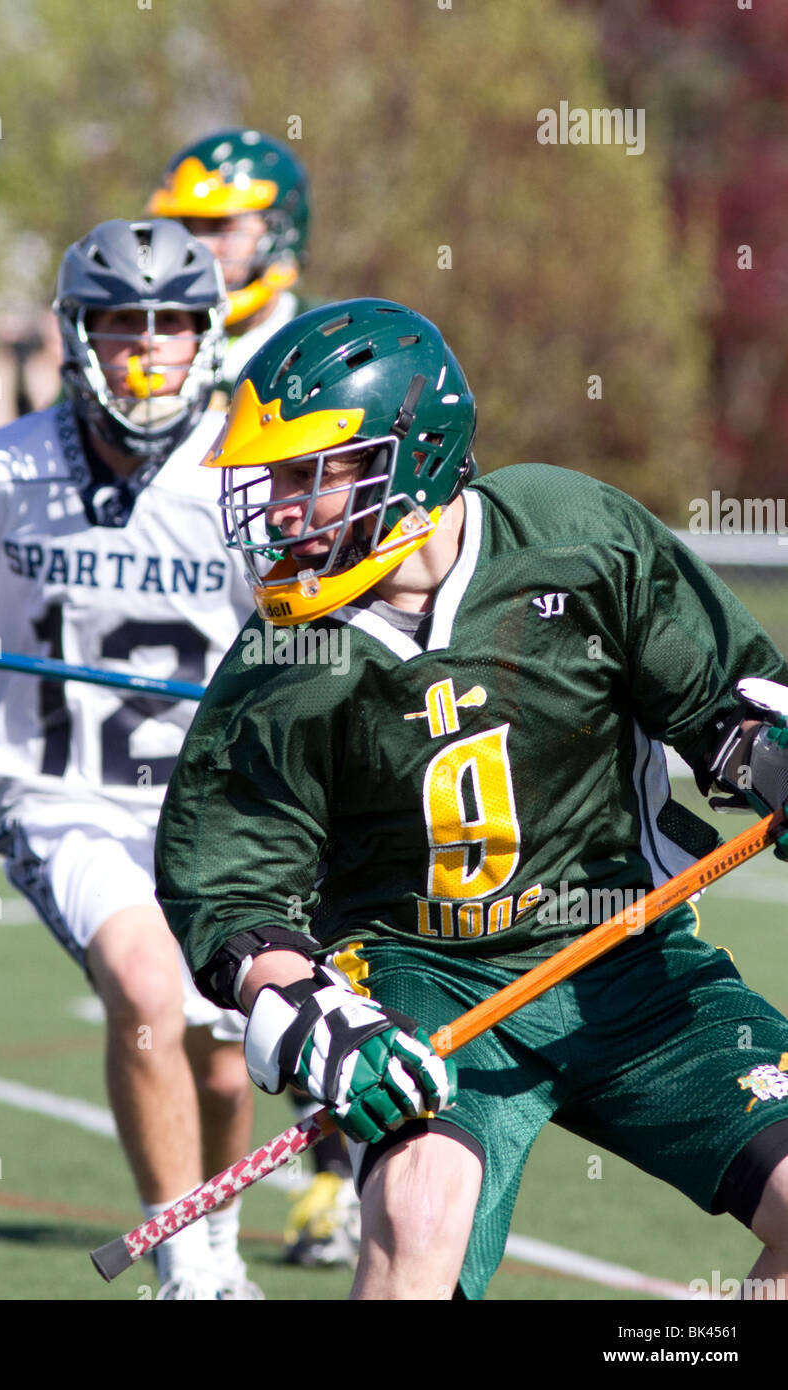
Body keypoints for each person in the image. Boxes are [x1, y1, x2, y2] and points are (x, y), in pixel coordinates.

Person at [154, 297, 788, 1300]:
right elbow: (230, 898)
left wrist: (772, 763)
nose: (275, 509)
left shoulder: (576, 537)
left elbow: (722, 706)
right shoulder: (282, 659)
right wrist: (314, 1011)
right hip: (420, 974)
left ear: (404, 461)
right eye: (268, 478)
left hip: (624, 954)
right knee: (417, 1219)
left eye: (302, 474)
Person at [0, 220, 261, 1299]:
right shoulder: (6, 472)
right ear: (80, 337)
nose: (148, 347)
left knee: (225, 1055)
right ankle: (187, 1266)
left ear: (206, 336)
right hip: (59, 791)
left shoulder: (247, 480)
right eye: (124, 323)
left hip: (211, 812)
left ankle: (217, 1230)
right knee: (142, 986)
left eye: (171, 323)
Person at [151, 128, 358, 1264]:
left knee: (334, 925)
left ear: (277, 232)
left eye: (214, 226)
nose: (194, 249)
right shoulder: (163, 340)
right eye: (181, 226)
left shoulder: (310, 348)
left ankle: (346, 1169)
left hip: (314, 665)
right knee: (238, 940)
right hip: (206, 680)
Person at [148, 129, 310, 394]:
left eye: (220, 225)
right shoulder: (141, 333)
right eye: (187, 226)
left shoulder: (326, 336)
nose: (198, 245)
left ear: (278, 232)